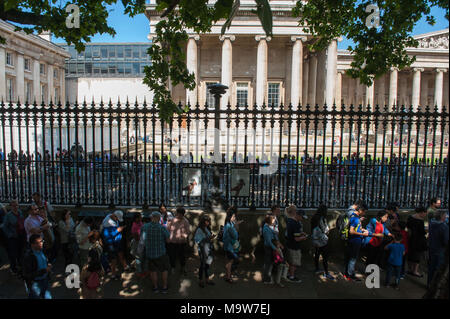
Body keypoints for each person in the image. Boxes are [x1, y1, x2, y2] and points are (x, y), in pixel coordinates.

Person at [141, 211, 170, 294]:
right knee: (164, 270)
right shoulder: (162, 228)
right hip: (161, 252)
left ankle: (155, 287)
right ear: (159, 218)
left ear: (151, 217)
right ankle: (164, 287)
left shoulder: (145, 227)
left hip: (150, 253)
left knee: (153, 271)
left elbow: (142, 241)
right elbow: (168, 240)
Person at [344, 203, 370, 281]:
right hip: (355, 241)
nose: (364, 213)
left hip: (353, 241)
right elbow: (351, 231)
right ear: (360, 210)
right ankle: (350, 275)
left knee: (350, 258)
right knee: (353, 258)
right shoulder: (355, 219)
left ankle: (347, 273)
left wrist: (362, 230)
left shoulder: (354, 217)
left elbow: (356, 228)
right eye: (364, 212)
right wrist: (362, 234)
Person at [22, 234, 52, 299]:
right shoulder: (28, 257)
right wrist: (44, 270)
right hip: (35, 283)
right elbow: (27, 274)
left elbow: (45, 260)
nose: (41, 244)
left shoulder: (42, 250)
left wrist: (48, 264)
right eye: (38, 243)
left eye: (41, 241)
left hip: (45, 280)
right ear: (32, 244)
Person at [2, 200, 26, 276]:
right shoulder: (8, 215)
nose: (15, 207)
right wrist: (10, 234)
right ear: (11, 207)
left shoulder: (20, 212)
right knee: (13, 253)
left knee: (20, 252)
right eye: (14, 206)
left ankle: (20, 265)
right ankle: (13, 268)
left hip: (21, 235)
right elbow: (4, 227)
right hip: (13, 237)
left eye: (16, 205)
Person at [311, 204, 334, 280]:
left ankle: (317, 268)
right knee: (325, 256)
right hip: (322, 240)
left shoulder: (314, 217)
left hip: (315, 239)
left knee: (317, 254)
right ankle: (326, 272)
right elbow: (325, 230)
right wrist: (328, 230)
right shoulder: (322, 218)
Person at [101, 210, 125, 280]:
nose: (117, 220)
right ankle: (113, 275)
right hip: (110, 243)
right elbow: (107, 236)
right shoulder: (108, 224)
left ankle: (114, 273)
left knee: (115, 257)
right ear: (114, 216)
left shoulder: (110, 216)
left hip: (115, 242)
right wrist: (118, 230)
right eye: (117, 218)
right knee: (113, 259)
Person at [285, 206, 308, 282]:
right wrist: (304, 237)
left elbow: (294, 233)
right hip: (294, 246)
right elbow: (296, 238)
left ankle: (289, 274)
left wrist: (301, 233)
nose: (302, 219)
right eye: (302, 217)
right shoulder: (295, 224)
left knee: (291, 261)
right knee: (294, 263)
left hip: (289, 244)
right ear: (298, 215)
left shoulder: (290, 221)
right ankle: (291, 277)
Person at [166, 207, 191, 276]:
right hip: (172, 242)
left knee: (182, 255)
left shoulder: (186, 221)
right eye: (178, 214)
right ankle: (173, 267)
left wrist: (184, 236)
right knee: (172, 255)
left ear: (183, 214)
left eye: (181, 214)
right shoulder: (172, 221)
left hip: (181, 242)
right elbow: (167, 230)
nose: (179, 215)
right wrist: (167, 239)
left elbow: (188, 231)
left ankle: (183, 267)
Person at [427, 210, 449, 287]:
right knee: (438, 268)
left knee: (431, 267)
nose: (446, 217)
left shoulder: (431, 223)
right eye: (445, 216)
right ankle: (435, 285)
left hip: (431, 247)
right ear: (442, 217)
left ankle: (429, 284)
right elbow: (446, 241)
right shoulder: (444, 227)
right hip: (440, 249)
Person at [262, 214, 284, 287]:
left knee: (272, 262)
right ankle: (266, 279)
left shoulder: (270, 226)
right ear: (269, 221)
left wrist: (279, 243)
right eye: (273, 220)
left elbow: (275, 235)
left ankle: (270, 277)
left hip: (273, 246)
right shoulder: (266, 228)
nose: (275, 221)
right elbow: (268, 241)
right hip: (269, 247)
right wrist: (275, 249)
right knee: (268, 263)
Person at [194, 214, 215, 288]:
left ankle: (207, 279)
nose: (208, 223)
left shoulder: (207, 228)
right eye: (207, 221)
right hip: (203, 250)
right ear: (203, 221)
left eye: (209, 221)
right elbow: (198, 241)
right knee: (202, 265)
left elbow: (208, 239)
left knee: (207, 265)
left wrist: (211, 238)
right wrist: (208, 238)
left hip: (209, 249)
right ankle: (200, 280)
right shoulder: (199, 230)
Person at [223, 206, 242, 284]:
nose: (234, 218)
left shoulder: (229, 223)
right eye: (233, 216)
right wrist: (235, 226)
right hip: (230, 247)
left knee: (230, 261)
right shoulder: (229, 226)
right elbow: (235, 235)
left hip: (229, 246)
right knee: (231, 261)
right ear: (230, 217)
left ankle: (228, 275)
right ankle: (228, 276)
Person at [406, 207, 428, 278]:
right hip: (419, 240)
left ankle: (410, 269)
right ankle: (415, 271)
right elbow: (422, 232)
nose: (425, 215)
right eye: (425, 213)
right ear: (421, 212)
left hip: (411, 238)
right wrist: (427, 232)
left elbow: (408, 227)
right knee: (417, 255)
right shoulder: (420, 221)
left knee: (410, 254)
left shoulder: (410, 217)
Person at [130, 213, 145, 277]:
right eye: (140, 217)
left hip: (141, 242)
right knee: (138, 257)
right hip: (138, 243)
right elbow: (136, 237)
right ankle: (139, 272)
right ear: (136, 218)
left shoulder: (140, 223)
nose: (141, 218)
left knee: (140, 257)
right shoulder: (135, 226)